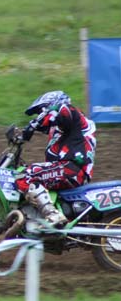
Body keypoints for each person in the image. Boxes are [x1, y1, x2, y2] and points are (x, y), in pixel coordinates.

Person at [16, 90, 97, 226]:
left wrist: (34, 123)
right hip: (67, 169)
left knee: (27, 174)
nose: (39, 115)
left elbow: (62, 112)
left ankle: (52, 215)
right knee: (23, 173)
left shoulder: (72, 114)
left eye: (40, 110)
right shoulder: (59, 130)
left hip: (72, 169)